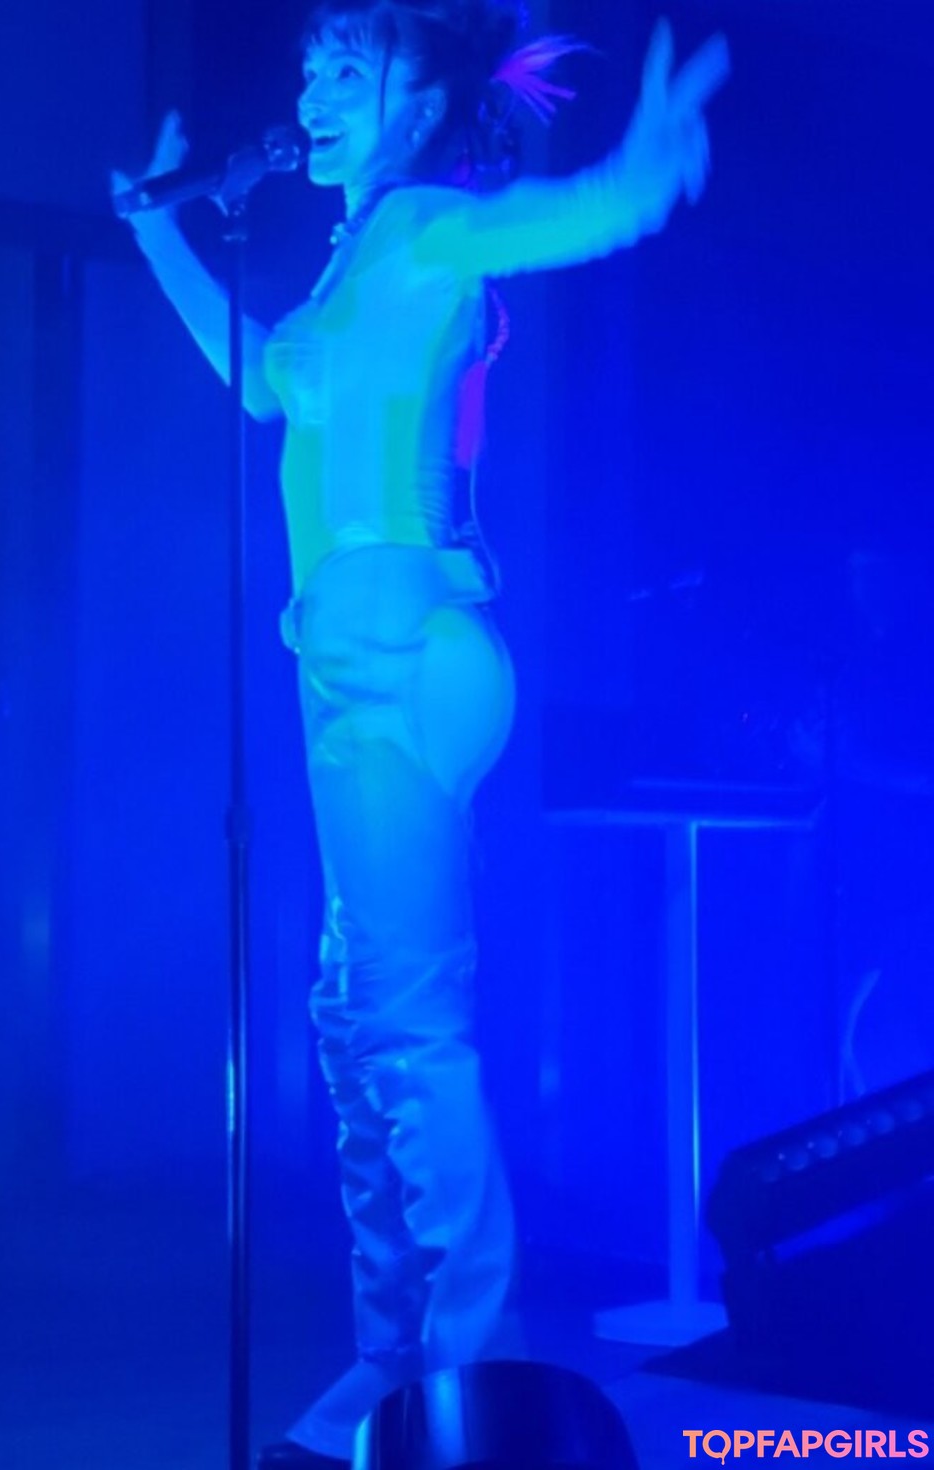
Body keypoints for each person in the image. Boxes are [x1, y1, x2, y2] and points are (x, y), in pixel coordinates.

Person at [112, 3, 729, 1464]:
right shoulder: (355, 258)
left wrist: (641, 176)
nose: (314, 89)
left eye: (348, 66)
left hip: (397, 653)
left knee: (408, 1024)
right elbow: (261, 379)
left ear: (419, 93)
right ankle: (396, 1359)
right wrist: (157, 232)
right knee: (355, 1019)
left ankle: (469, 1368)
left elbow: (559, 220)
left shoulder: (425, 226)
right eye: (309, 68)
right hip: (360, 657)